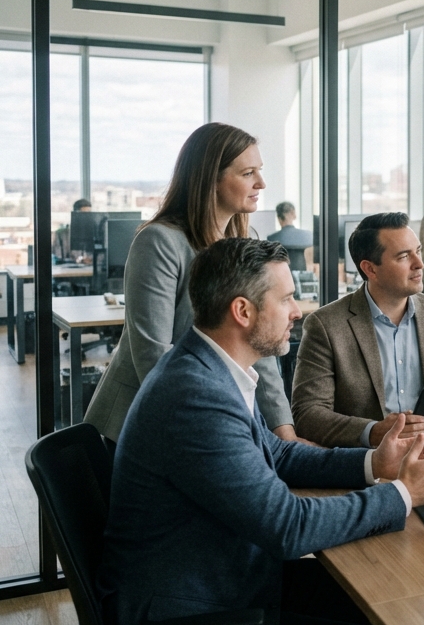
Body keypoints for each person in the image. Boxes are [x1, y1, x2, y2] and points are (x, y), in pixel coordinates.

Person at [99, 238, 424, 625]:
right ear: (243, 312)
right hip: (198, 621)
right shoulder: (196, 395)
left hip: (232, 578)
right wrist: (404, 493)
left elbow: (274, 452)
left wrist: (374, 463)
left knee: (404, 610)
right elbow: (287, 526)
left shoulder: (210, 367)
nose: (298, 311)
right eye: (287, 298)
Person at [84, 123, 300, 444]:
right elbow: (153, 354)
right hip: (141, 423)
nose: (261, 183)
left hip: (209, 417)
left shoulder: (246, 242)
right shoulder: (160, 241)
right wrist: (210, 427)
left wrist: (285, 431)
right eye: (247, 173)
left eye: (260, 171)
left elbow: (260, 346)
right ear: (210, 179)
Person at [291, 212, 424, 447]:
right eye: (403, 256)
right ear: (370, 269)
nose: (419, 263)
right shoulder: (326, 325)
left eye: (418, 251)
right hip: (369, 461)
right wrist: (373, 431)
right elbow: (308, 414)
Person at [266, 200, 312, 271]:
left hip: (281, 278)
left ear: (279, 218)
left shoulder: (271, 239)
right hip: (305, 279)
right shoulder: (309, 236)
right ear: (293, 213)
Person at [52, 197, 91, 262]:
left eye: (89, 214)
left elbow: (101, 256)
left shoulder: (95, 234)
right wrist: (78, 260)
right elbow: (58, 257)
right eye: (83, 214)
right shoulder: (61, 235)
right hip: (68, 270)